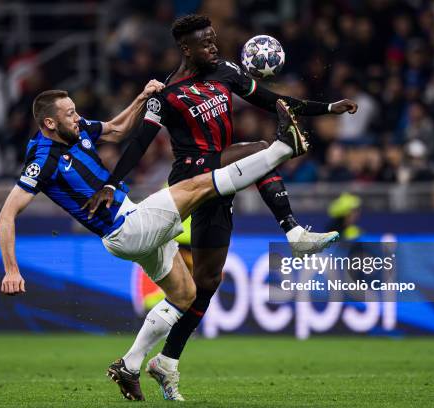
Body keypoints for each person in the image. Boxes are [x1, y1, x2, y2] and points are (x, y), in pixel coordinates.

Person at [91, 14, 357, 399]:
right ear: (186, 48)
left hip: (223, 182)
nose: (214, 47)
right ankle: (294, 231)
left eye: (214, 40)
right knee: (262, 152)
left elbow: (276, 101)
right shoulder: (165, 95)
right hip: (191, 177)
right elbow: (138, 143)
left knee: (206, 284)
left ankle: (162, 362)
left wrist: (329, 107)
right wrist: (112, 183)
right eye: (206, 43)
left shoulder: (226, 72)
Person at [0, 86, 313, 401]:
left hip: (131, 222)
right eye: (69, 114)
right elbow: (6, 215)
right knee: (199, 184)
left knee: (185, 294)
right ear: (50, 124)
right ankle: (283, 148)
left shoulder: (79, 131)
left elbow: (118, 129)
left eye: (75, 110)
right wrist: (12, 269)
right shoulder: (42, 160)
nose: (78, 117)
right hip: (126, 228)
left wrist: (140, 97)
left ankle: (130, 365)